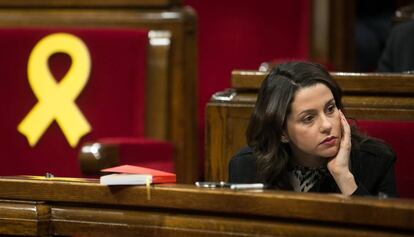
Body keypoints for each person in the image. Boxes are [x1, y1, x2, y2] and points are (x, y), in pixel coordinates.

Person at [228, 61, 398, 197]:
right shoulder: (248, 167)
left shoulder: (376, 161)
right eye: (308, 118)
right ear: (282, 133)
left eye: (330, 109)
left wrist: (343, 176)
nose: (327, 125)